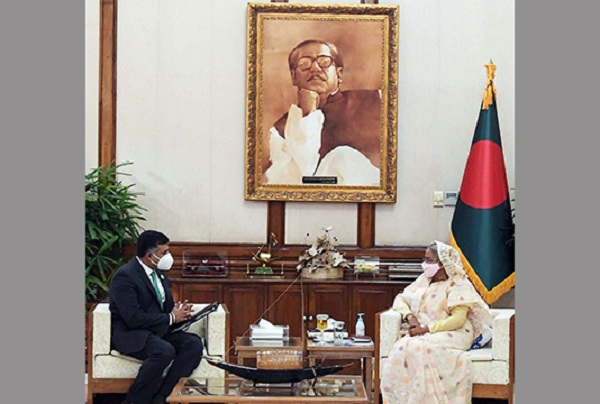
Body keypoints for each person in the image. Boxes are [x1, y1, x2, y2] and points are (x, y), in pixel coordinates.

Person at [380, 240, 494, 404]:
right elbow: (401, 299)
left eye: (429, 260)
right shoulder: (424, 280)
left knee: (421, 347)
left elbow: (458, 320)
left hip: (455, 332)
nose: (424, 264)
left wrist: (426, 328)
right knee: (402, 346)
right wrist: (410, 317)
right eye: (424, 259)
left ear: (442, 263)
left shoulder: (458, 284)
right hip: (423, 331)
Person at [264, 39, 382, 186]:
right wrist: (308, 114)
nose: (315, 68)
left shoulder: (378, 100)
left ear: (339, 74)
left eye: (324, 61)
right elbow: (295, 181)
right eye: (304, 63)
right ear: (294, 77)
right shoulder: (279, 131)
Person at [109, 230, 203, 404]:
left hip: (156, 331)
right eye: (164, 252)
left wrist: (178, 311)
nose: (168, 256)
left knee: (193, 344)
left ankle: (163, 397)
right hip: (131, 333)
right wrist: (170, 318)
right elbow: (133, 318)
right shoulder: (125, 276)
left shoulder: (159, 273)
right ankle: (135, 401)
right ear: (149, 256)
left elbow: (161, 307)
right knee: (164, 351)